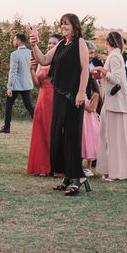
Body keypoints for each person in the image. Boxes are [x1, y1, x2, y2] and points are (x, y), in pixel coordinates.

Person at [29, 13, 91, 195]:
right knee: (58, 136)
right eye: (62, 24)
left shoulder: (80, 43)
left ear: (74, 26)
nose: (63, 27)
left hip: (73, 97)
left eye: (67, 24)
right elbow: (43, 60)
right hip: (58, 96)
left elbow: (85, 70)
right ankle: (66, 174)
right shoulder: (60, 45)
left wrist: (81, 92)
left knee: (72, 136)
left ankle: (77, 177)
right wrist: (34, 44)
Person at [93, 31, 127, 180]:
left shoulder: (115, 56)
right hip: (112, 104)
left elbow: (117, 78)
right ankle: (111, 170)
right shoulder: (116, 56)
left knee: (112, 138)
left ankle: (114, 172)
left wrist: (102, 70)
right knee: (109, 137)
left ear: (107, 42)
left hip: (114, 105)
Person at [27, 34, 62, 176]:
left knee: (52, 132)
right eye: (49, 43)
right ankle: (42, 166)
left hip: (55, 99)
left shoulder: (59, 60)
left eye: (54, 43)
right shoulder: (42, 61)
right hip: (42, 99)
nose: (50, 45)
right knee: (41, 132)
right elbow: (37, 83)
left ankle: (55, 167)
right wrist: (31, 69)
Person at [0, 33, 34, 133]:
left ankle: (6, 127)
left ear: (18, 40)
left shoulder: (15, 54)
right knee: (29, 106)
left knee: (9, 105)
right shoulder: (31, 52)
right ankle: (39, 124)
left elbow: (13, 71)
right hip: (27, 84)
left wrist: (10, 87)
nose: (13, 41)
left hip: (16, 85)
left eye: (14, 40)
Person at [81, 76, 101, 177]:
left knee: (89, 142)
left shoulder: (95, 94)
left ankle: (88, 167)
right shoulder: (80, 92)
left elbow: (91, 108)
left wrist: (82, 102)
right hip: (81, 119)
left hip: (89, 120)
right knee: (81, 141)